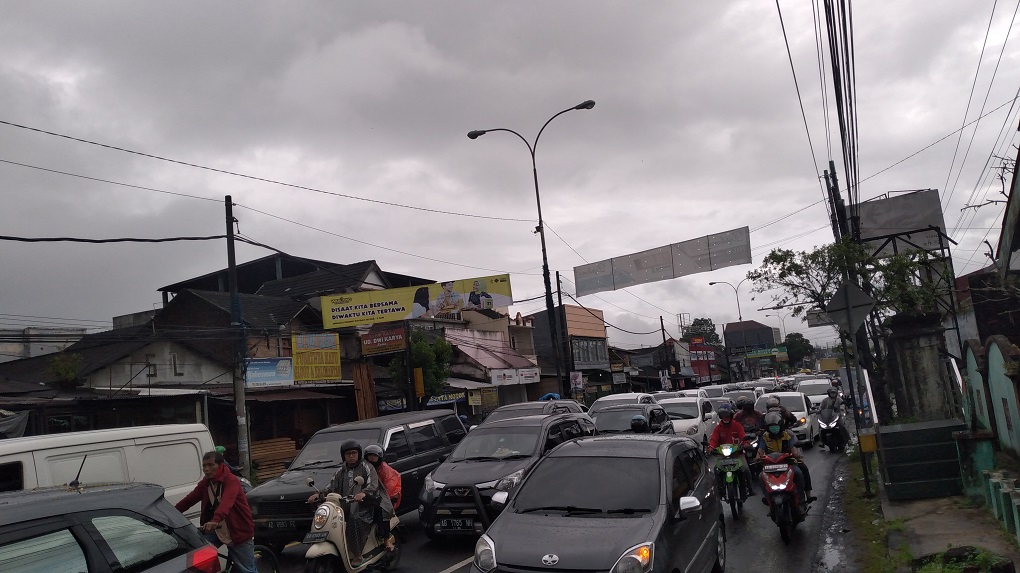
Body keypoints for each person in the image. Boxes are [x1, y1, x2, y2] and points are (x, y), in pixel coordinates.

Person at [307, 441, 390, 565]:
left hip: (366, 504)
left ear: (359, 454)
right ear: (343, 456)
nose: (351, 456)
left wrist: (364, 493)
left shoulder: (367, 466)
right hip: (345, 503)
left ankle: (357, 555)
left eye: (354, 453)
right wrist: (318, 495)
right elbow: (331, 486)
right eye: (348, 453)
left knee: (354, 518)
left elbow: (373, 485)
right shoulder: (341, 470)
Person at [176, 451, 255, 573]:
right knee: (198, 552)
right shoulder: (206, 483)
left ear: (221, 465)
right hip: (218, 530)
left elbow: (226, 504)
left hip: (238, 530)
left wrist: (214, 520)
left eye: (210, 465)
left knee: (246, 570)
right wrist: (169, 514)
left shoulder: (231, 480)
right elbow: (188, 501)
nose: (206, 469)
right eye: (204, 466)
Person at [757, 411, 816, 503]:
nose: (774, 428)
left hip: (788, 462)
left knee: (799, 472)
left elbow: (793, 447)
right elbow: (760, 450)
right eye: (771, 426)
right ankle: (767, 497)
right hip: (771, 464)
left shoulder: (787, 434)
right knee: (761, 476)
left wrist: (796, 455)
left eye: (775, 426)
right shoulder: (765, 437)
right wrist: (757, 458)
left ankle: (804, 497)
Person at [707, 404, 753, 499]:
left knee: (746, 469)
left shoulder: (737, 426)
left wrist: (745, 445)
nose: (726, 418)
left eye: (727, 416)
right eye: (723, 416)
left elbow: (743, 437)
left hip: (737, 454)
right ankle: (720, 490)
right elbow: (713, 440)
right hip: (723, 455)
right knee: (716, 470)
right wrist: (711, 448)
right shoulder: (718, 428)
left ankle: (750, 488)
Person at [364, 444, 399, 552]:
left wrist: (380, 497)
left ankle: (386, 538)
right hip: (366, 496)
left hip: (383, 496)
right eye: (370, 456)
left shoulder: (385, 470)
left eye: (375, 456)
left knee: (382, 511)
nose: (372, 459)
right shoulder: (363, 468)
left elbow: (390, 487)